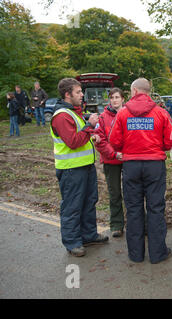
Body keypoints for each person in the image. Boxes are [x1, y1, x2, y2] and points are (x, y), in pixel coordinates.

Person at [109, 77, 172, 264]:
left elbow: (114, 141)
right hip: (154, 165)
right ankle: (158, 254)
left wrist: (128, 148)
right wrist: (158, 147)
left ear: (133, 92)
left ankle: (136, 254)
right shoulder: (161, 113)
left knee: (133, 209)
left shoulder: (122, 114)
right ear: (148, 92)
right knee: (156, 209)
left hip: (131, 166)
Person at [51, 78, 109, 257]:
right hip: (71, 169)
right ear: (68, 95)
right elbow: (73, 142)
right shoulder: (62, 115)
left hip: (84, 167)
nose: (82, 94)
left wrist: (91, 136)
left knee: (89, 201)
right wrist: (90, 125)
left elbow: (79, 137)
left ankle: (88, 235)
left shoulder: (73, 113)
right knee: (72, 206)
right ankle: (73, 242)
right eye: (78, 92)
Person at [92, 88, 125, 238]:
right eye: (112, 97)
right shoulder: (103, 117)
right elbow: (100, 140)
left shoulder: (130, 115)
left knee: (133, 193)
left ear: (123, 99)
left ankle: (137, 223)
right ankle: (117, 225)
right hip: (111, 160)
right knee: (115, 193)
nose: (114, 100)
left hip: (128, 159)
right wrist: (113, 154)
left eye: (117, 97)